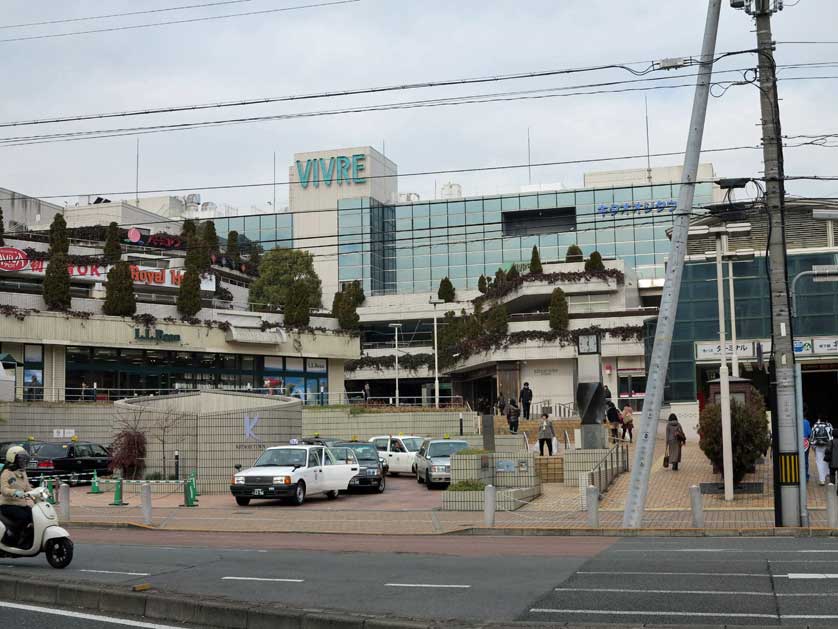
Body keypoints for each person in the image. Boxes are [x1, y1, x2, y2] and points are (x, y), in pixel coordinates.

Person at [0, 446, 33, 548]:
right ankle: (14, 538)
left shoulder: (22, 472)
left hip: (21, 504)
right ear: (13, 458)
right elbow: (4, 489)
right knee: (23, 517)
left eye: (24, 460)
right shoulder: (6, 473)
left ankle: (28, 538)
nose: (23, 462)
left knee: (34, 515)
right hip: (8, 504)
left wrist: (38, 492)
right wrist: (15, 492)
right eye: (21, 459)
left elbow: (28, 488)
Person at [811, 417, 833, 485]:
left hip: (818, 446)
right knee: (826, 460)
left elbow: (812, 436)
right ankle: (827, 473)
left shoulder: (815, 425)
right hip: (827, 446)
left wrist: (813, 445)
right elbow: (831, 436)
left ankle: (822, 479)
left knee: (819, 462)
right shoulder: (829, 425)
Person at [802, 406, 812, 481]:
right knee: (805, 459)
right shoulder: (806, 422)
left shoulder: (795, 421)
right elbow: (809, 433)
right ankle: (805, 476)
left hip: (796, 443)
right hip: (805, 442)